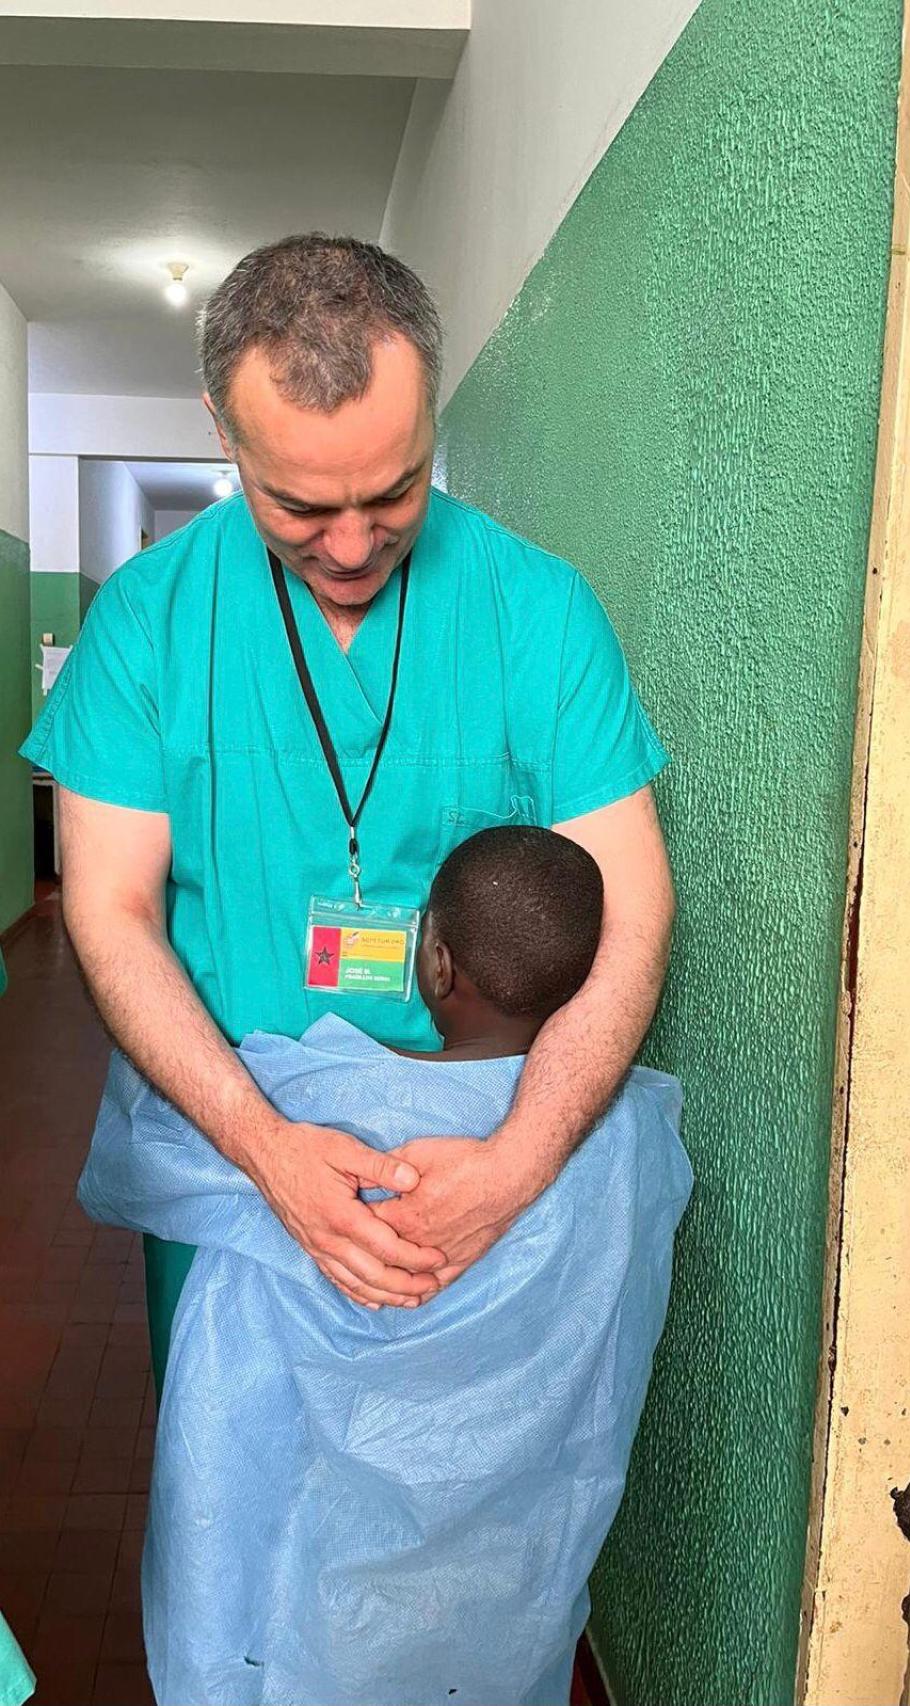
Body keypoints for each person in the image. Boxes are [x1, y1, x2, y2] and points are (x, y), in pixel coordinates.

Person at [20, 232, 675, 1386]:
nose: (356, 544)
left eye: (396, 490)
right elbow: (110, 908)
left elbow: (631, 910)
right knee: (247, 1520)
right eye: (302, 505)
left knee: (468, 1524)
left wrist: (513, 1167)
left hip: (479, 1176)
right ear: (224, 435)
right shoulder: (147, 625)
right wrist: (268, 1151)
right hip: (240, 1170)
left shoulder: (539, 612)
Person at [79, 827, 692, 1706]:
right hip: (499, 1573)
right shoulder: (624, 1135)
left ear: (436, 965)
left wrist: (262, 1137)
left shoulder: (306, 1099)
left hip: (302, 1578)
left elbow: (144, 1147)